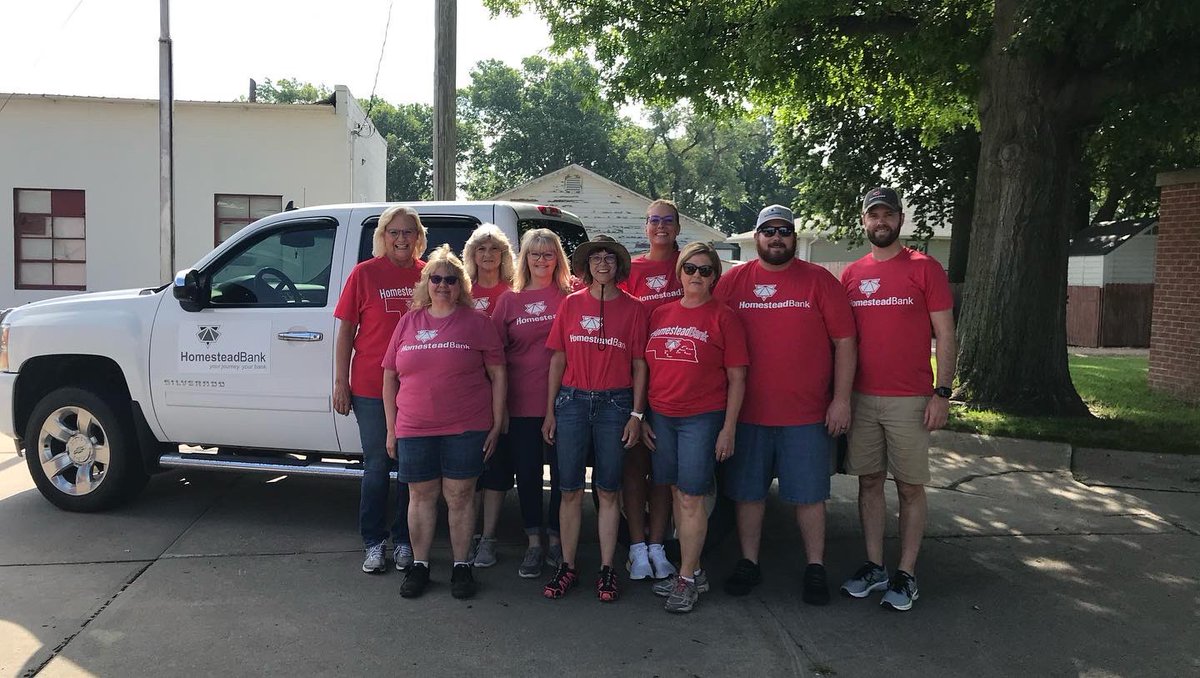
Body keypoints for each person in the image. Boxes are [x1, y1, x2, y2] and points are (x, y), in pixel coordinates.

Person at [714, 204, 857, 606]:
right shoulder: (732, 282)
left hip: (807, 415)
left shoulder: (820, 282)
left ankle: (815, 566)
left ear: (794, 237)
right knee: (748, 494)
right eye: (768, 231)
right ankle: (749, 562)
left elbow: (845, 343)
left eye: (784, 231)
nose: (777, 238)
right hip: (748, 414)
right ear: (756, 237)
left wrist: (841, 400)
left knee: (810, 496)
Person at [839, 187, 955, 612]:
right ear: (864, 222)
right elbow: (842, 339)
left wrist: (942, 392)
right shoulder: (851, 275)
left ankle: (906, 573)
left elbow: (945, 334)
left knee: (909, 486)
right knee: (868, 482)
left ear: (900, 220)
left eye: (888, 215)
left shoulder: (925, 268)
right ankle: (875, 566)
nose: (880, 222)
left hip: (910, 398)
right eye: (874, 216)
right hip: (861, 397)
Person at [382, 245, 507, 600]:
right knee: (420, 496)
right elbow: (389, 375)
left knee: (461, 495)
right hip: (414, 426)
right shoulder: (408, 322)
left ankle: (461, 566)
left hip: (466, 426)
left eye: (450, 279)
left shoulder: (478, 323)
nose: (442, 284)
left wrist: (497, 423)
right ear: (426, 282)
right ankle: (420, 566)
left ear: (461, 285)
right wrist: (391, 428)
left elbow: (498, 374)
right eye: (435, 278)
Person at [641, 241, 748, 613]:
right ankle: (694, 570)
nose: (697, 276)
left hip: (701, 418)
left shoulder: (724, 317)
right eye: (691, 269)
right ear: (680, 273)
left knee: (691, 497)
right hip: (662, 417)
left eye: (705, 270)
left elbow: (737, 378)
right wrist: (643, 418)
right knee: (674, 494)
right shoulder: (660, 314)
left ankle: (685, 580)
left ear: (715, 276)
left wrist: (728, 428)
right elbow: (648, 369)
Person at [542, 235, 649, 602]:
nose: (602, 264)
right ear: (586, 266)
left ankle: (607, 568)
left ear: (619, 266)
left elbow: (639, 364)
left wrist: (637, 413)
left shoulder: (635, 310)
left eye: (609, 258)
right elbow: (558, 359)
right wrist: (550, 410)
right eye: (596, 258)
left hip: (615, 404)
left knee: (607, 489)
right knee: (569, 489)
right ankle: (567, 565)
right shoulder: (571, 305)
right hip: (571, 401)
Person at [333, 205, 427, 575]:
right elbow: (345, 332)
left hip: (417, 388)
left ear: (419, 238)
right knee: (376, 464)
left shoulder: (430, 276)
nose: (401, 239)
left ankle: (404, 540)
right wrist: (341, 382)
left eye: (408, 232)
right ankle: (373, 542)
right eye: (394, 232)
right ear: (383, 237)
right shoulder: (365, 274)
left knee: (410, 467)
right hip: (371, 386)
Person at [484, 229, 572, 578]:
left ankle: (556, 538)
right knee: (529, 475)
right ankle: (534, 542)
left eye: (548, 253)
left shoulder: (571, 294)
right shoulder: (509, 299)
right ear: (524, 258)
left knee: (566, 475)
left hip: (566, 402)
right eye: (534, 254)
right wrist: (499, 406)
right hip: (520, 403)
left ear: (557, 258)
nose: (541, 260)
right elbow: (494, 357)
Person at [619, 199, 683, 581]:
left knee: (664, 470)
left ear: (677, 227)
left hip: (676, 387)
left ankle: (658, 545)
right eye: (653, 221)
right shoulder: (633, 270)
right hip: (631, 385)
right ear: (646, 227)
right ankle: (637, 547)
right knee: (633, 468)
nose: (660, 227)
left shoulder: (689, 266)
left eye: (667, 221)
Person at [461, 224, 516, 569]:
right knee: (470, 471)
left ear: (504, 256)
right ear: (472, 255)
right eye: (481, 249)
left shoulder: (513, 291)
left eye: (494, 249)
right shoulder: (460, 291)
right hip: (467, 393)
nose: (487, 255)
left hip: (505, 388)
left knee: (496, 470)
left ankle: (489, 538)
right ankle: (466, 536)